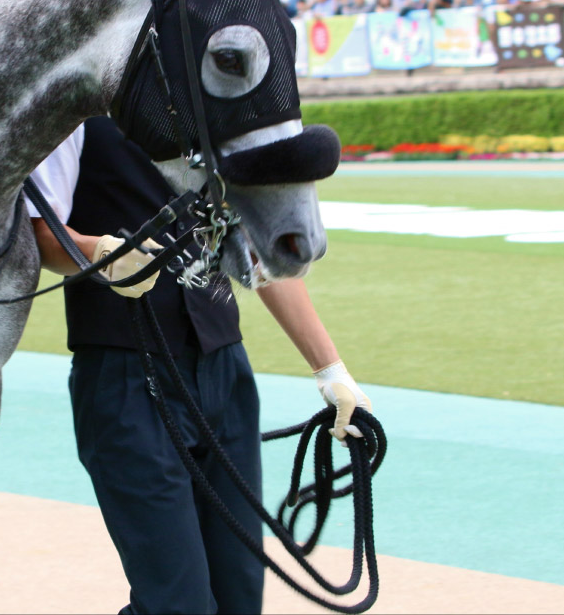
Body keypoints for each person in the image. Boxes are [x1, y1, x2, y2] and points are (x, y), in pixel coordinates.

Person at [26, 116, 372, 615]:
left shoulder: (210, 112)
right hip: (125, 380)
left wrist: (331, 371)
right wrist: (97, 253)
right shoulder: (75, 113)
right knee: (175, 606)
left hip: (226, 374)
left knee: (240, 598)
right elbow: (38, 230)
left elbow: (259, 253)